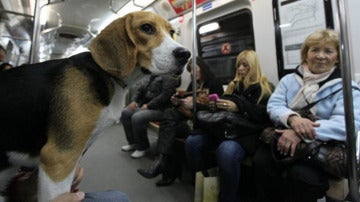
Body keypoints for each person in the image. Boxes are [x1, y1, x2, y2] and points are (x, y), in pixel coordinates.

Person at [253, 29, 360, 202]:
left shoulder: (346, 86)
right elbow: (274, 105)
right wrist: (293, 119)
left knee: (303, 176)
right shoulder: (288, 80)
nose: (321, 56)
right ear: (306, 54)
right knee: (261, 162)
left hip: (320, 146)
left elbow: (348, 123)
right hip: (285, 135)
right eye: (315, 50)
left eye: (328, 51)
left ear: (337, 57)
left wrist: (301, 132)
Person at [185, 50, 274, 202]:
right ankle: (203, 179)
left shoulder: (265, 87)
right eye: (238, 65)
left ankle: (227, 197)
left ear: (254, 66)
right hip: (225, 129)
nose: (240, 69)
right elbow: (223, 111)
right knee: (192, 142)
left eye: (245, 65)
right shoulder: (233, 86)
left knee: (226, 151)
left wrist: (239, 107)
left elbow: (265, 115)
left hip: (246, 134)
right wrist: (214, 105)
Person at [137, 56, 224, 186]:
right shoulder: (194, 84)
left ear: (202, 67)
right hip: (190, 120)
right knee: (169, 126)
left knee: (168, 129)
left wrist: (192, 106)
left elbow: (214, 110)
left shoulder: (214, 84)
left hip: (204, 125)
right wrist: (178, 102)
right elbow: (186, 100)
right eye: (191, 71)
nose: (194, 73)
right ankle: (163, 164)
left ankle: (165, 169)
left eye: (195, 69)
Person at [120, 73, 181, 158]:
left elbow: (166, 95)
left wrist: (149, 105)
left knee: (138, 117)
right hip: (145, 106)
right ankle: (133, 143)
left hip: (161, 109)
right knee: (126, 112)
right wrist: (134, 101)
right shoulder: (149, 75)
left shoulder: (168, 76)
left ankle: (142, 147)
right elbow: (139, 90)